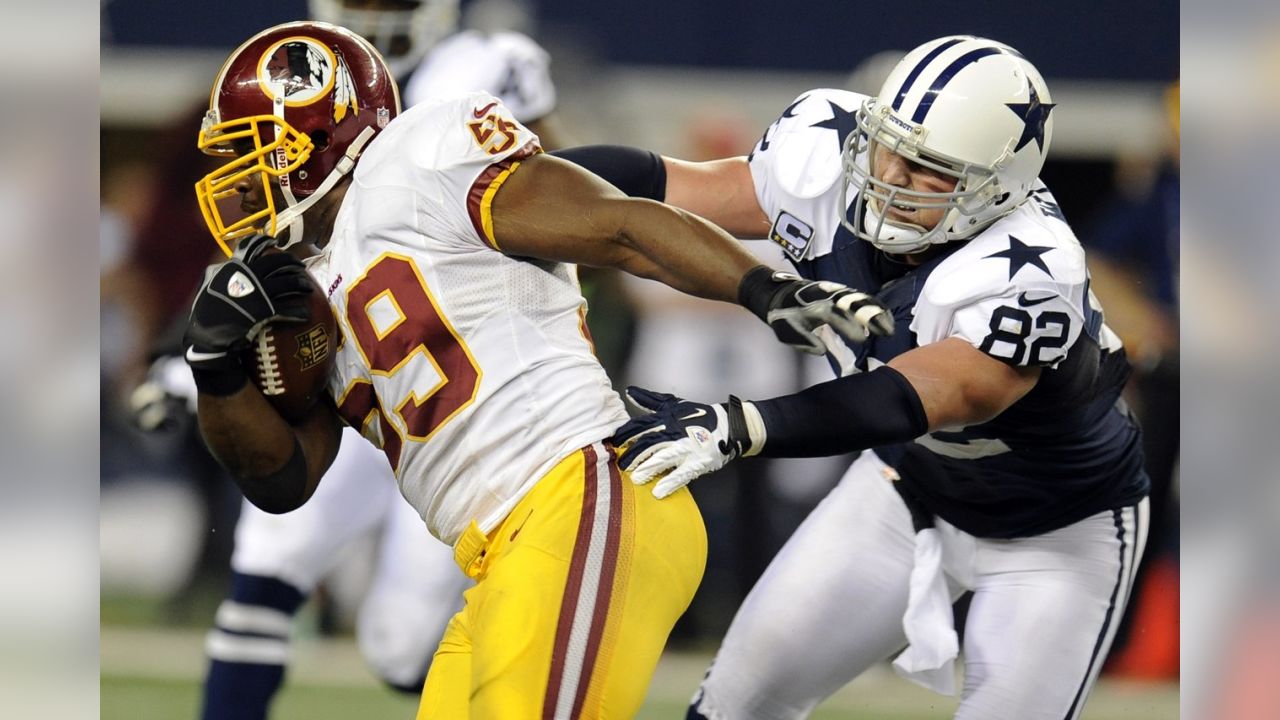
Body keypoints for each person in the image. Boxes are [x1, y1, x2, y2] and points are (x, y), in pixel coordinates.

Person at [182, 21, 889, 719]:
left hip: (581, 497)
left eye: (254, 153)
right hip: (497, 556)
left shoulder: (419, 156)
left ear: (317, 140)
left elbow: (621, 225)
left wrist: (762, 290)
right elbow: (285, 481)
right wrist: (215, 366)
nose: (235, 186)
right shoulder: (299, 290)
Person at [594, 35, 1151, 719]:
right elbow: (671, 188)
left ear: (996, 185)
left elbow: (920, 395)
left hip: (1057, 535)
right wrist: (512, 173)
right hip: (900, 490)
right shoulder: (829, 158)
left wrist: (740, 426)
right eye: (891, 149)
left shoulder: (1032, 270)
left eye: (932, 171)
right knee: (732, 708)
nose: (894, 177)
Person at [181, 3, 580, 716]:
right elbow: (258, 238)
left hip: (450, 384)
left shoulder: (479, 70)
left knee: (400, 645)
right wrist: (195, 346)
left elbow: (566, 187)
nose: (377, 13)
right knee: (269, 555)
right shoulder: (287, 78)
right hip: (344, 376)